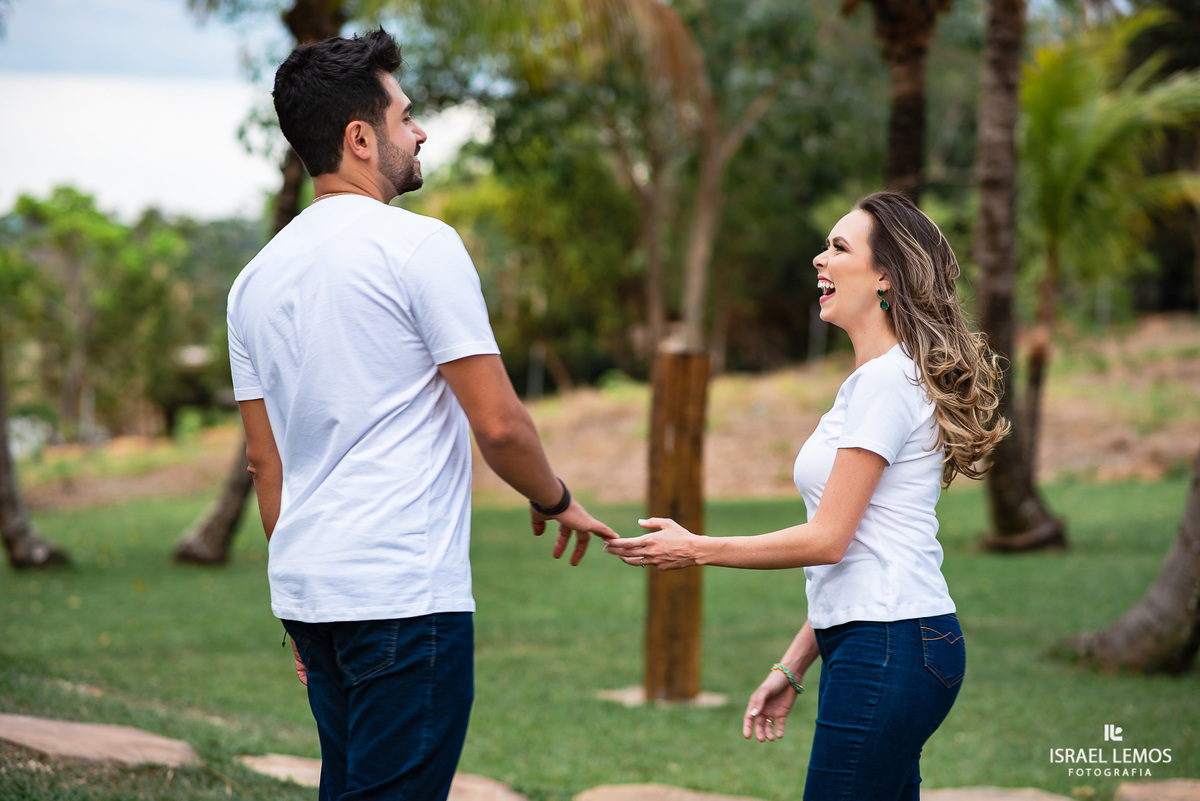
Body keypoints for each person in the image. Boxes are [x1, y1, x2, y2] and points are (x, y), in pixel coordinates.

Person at [228, 29, 617, 801]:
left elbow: (263, 464)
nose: (420, 130)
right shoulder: (418, 247)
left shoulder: (254, 280)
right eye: (406, 116)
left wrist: (306, 594)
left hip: (313, 597)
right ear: (361, 137)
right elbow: (499, 423)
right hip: (403, 599)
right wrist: (557, 500)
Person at [606, 191, 1009, 800]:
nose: (819, 260)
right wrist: (795, 664)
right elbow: (856, 549)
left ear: (886, 278)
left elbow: (828, 539)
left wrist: (696, 549)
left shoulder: (885, 383)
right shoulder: (880, 379)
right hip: (890, 639)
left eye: (838, 248)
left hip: (890, 644)